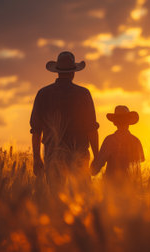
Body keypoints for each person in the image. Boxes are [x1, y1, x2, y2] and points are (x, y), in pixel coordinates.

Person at [30, 51, 99, 191]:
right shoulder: (83, 94)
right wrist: (97, 156)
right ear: (73, 72)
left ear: (57, 72)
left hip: (53, 155)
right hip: (79, 155)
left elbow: (36, 131)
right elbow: (92, 129)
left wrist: (37, 158)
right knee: (82, 198)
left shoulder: (43, 94)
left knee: (56, 198)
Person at [91, 105, 144, 184]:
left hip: (111, 190)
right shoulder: (136, 141)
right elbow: (138, 171)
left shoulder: (109, 140)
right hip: (131, 189)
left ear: (114, 122)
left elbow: (95, 169)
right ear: (129, 121)